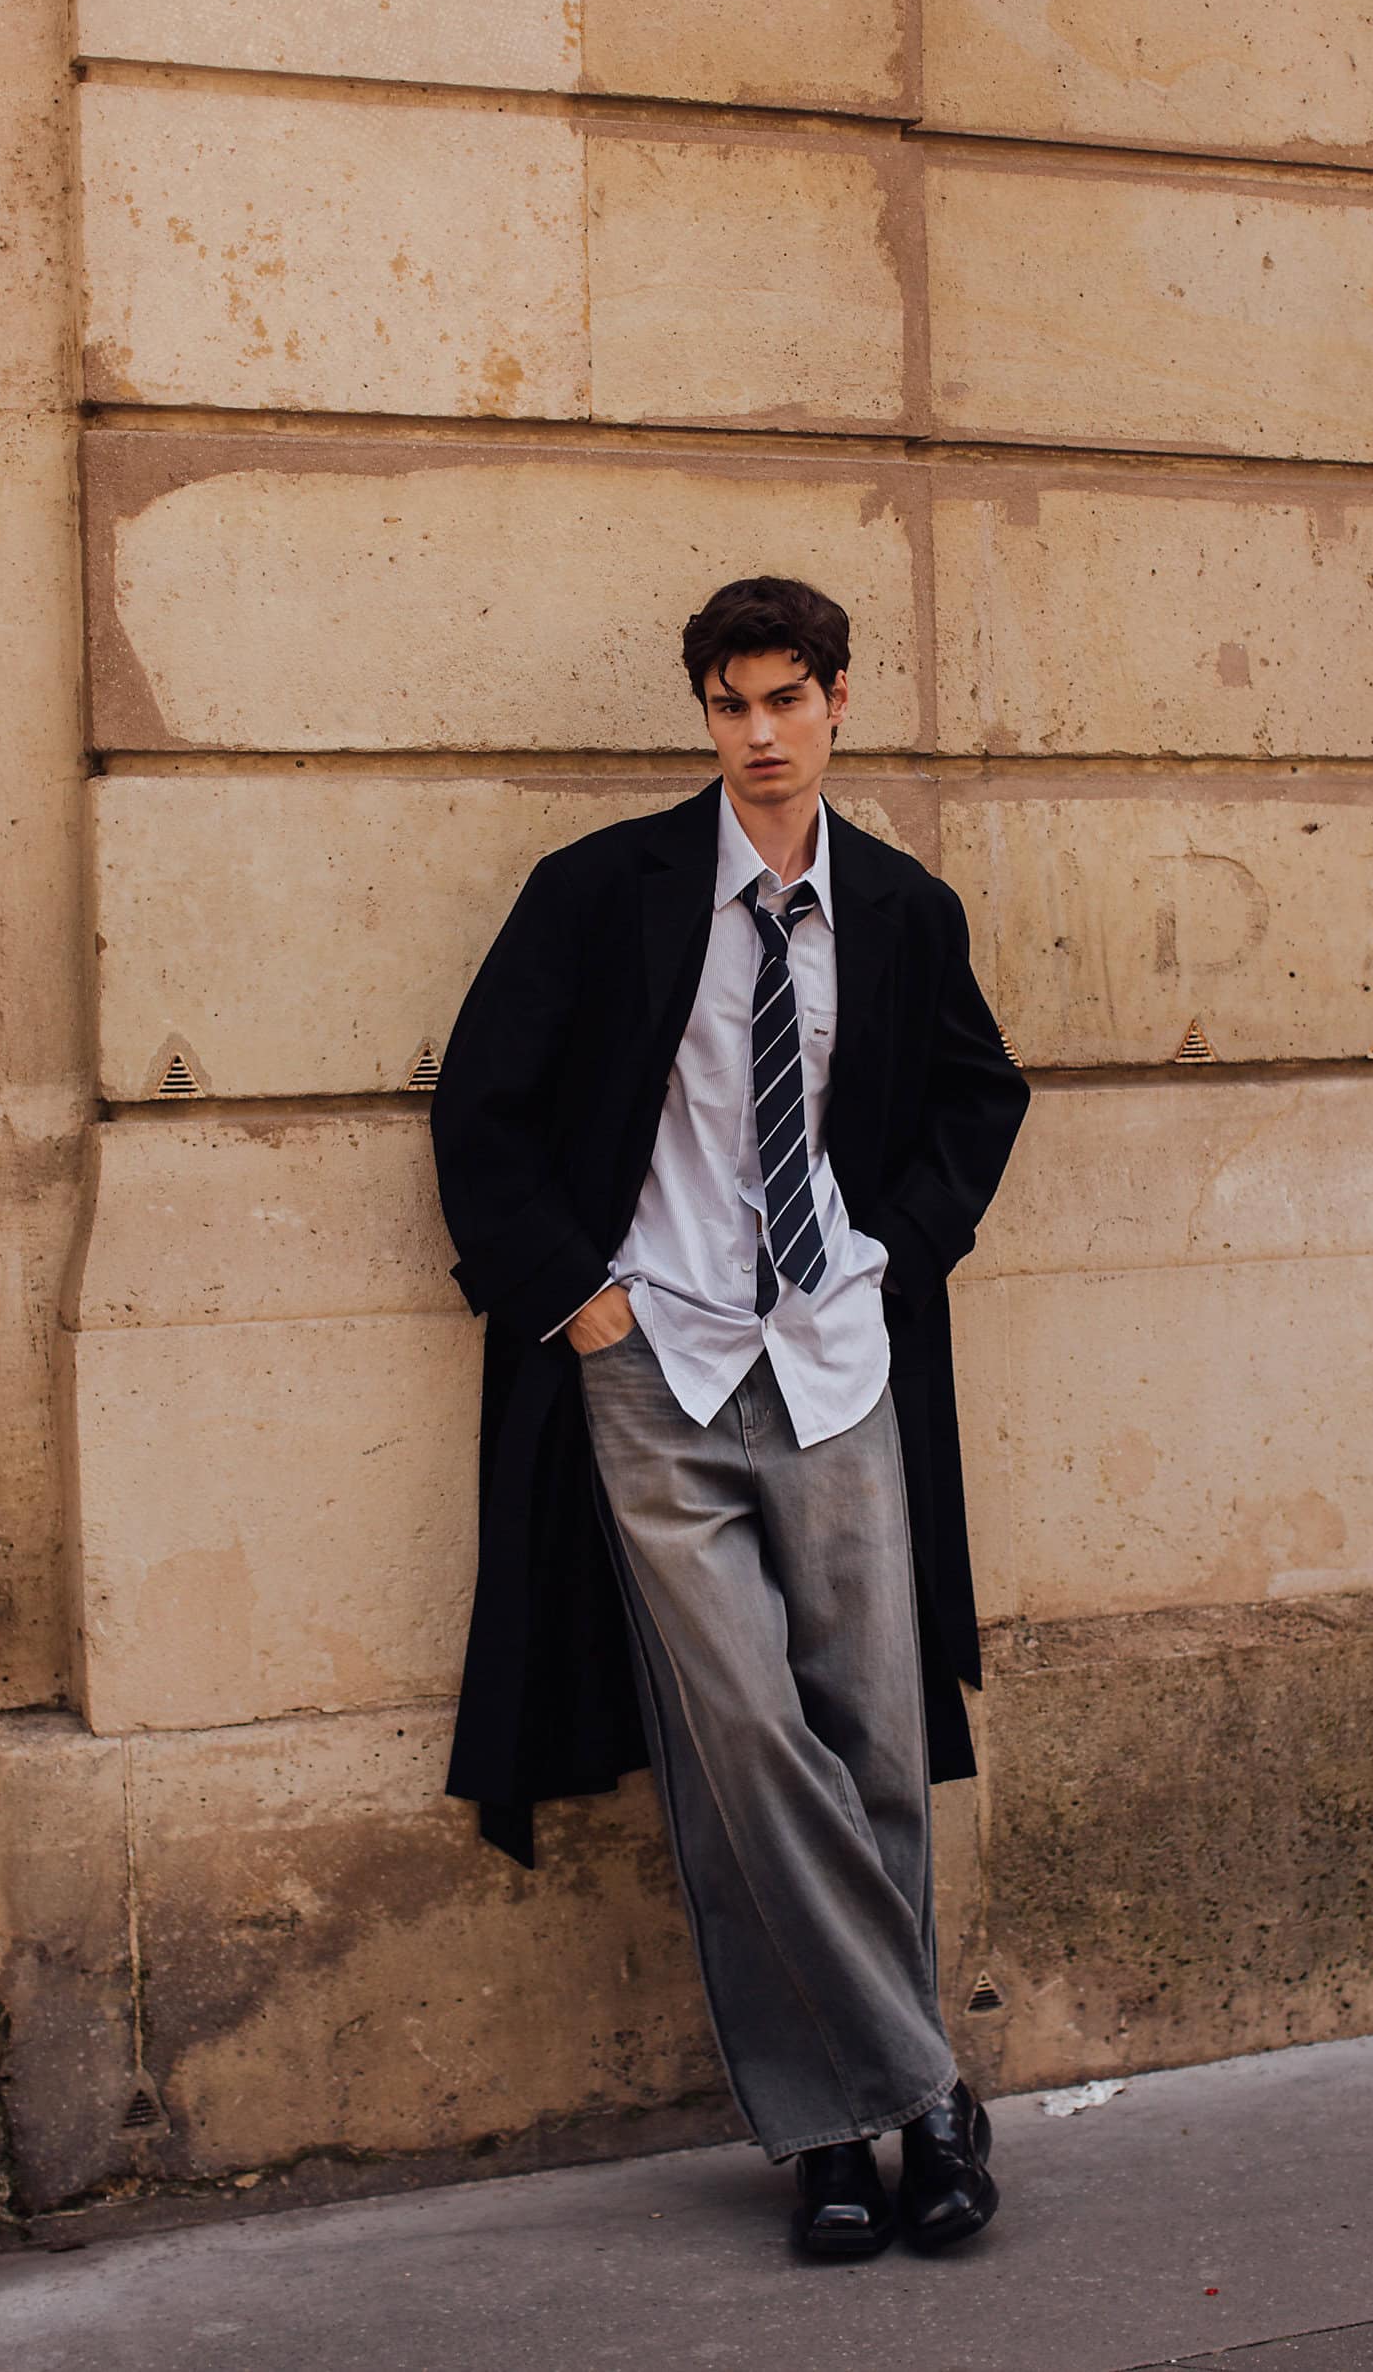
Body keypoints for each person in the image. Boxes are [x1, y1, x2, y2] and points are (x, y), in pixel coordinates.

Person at [430, 575, 1031, 2257]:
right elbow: (481, 1110)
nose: (758, 734)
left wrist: (893, 1255)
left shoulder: (901, 908)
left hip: (836, 1365)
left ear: (839, 701)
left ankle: (846, 2134)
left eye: (785, 699)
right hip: (658, 1369)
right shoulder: (602, 891)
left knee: (874, 1738)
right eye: (729, 704)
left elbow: (981, 1095)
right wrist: (578, 1296)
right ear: (704, 713)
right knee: (743, 1740)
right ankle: (906, 2102)